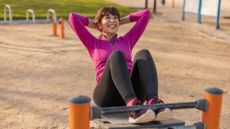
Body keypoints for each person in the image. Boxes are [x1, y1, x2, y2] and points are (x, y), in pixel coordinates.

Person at [69, 6, 172, 124]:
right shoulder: (93, 43)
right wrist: (95, 24)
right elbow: (73, 18)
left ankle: (153, 102)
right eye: (107, 18)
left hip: (132, 90)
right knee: (116, 55)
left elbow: (146, 14)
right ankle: (133, 110)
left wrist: (120, 22)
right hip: (107, 95)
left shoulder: (127, 40)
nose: (112, 20)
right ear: (100, 23)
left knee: (144, 53)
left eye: (115, 18)